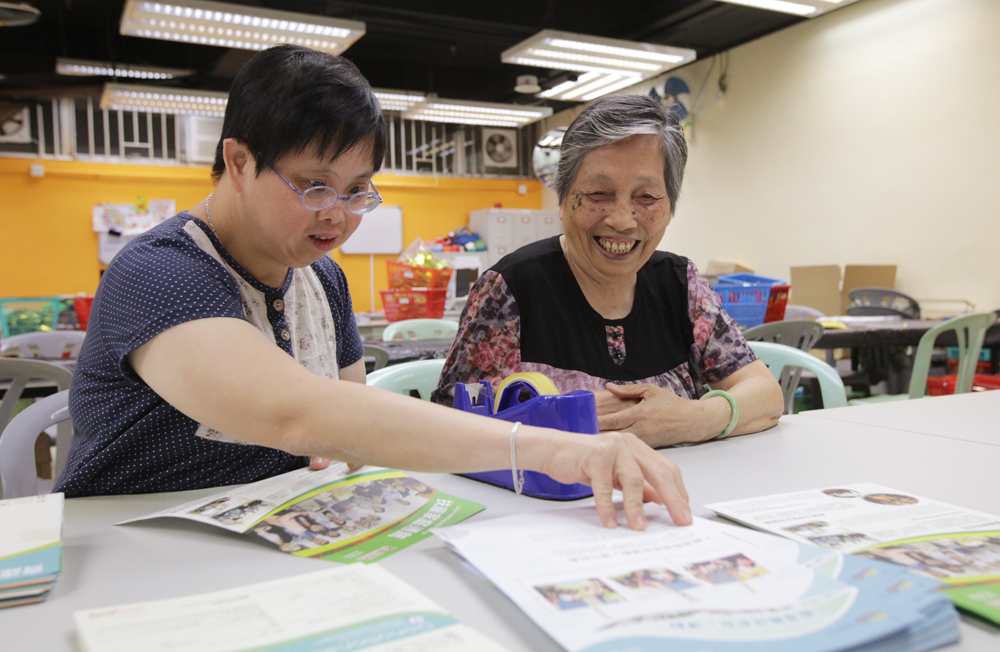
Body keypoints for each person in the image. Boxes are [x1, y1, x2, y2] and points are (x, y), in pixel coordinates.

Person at [52, 45, 689, 532]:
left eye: (359, 191)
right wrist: (550, 450)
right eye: (317, 186)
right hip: (127, 540)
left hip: (275, 529)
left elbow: (349, 431)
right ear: (240, 162)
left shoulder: (320, 275)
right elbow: (301, 415)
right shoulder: (160, 273)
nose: (339, 214)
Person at [432, 94, 784, 447]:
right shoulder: (510, 289)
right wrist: (556, 420)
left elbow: (766, 396)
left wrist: (693, 419)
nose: (621, 220)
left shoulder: (681, 284)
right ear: (563, 197)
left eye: (646, 197)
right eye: (599, 193)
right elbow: (447, 429)